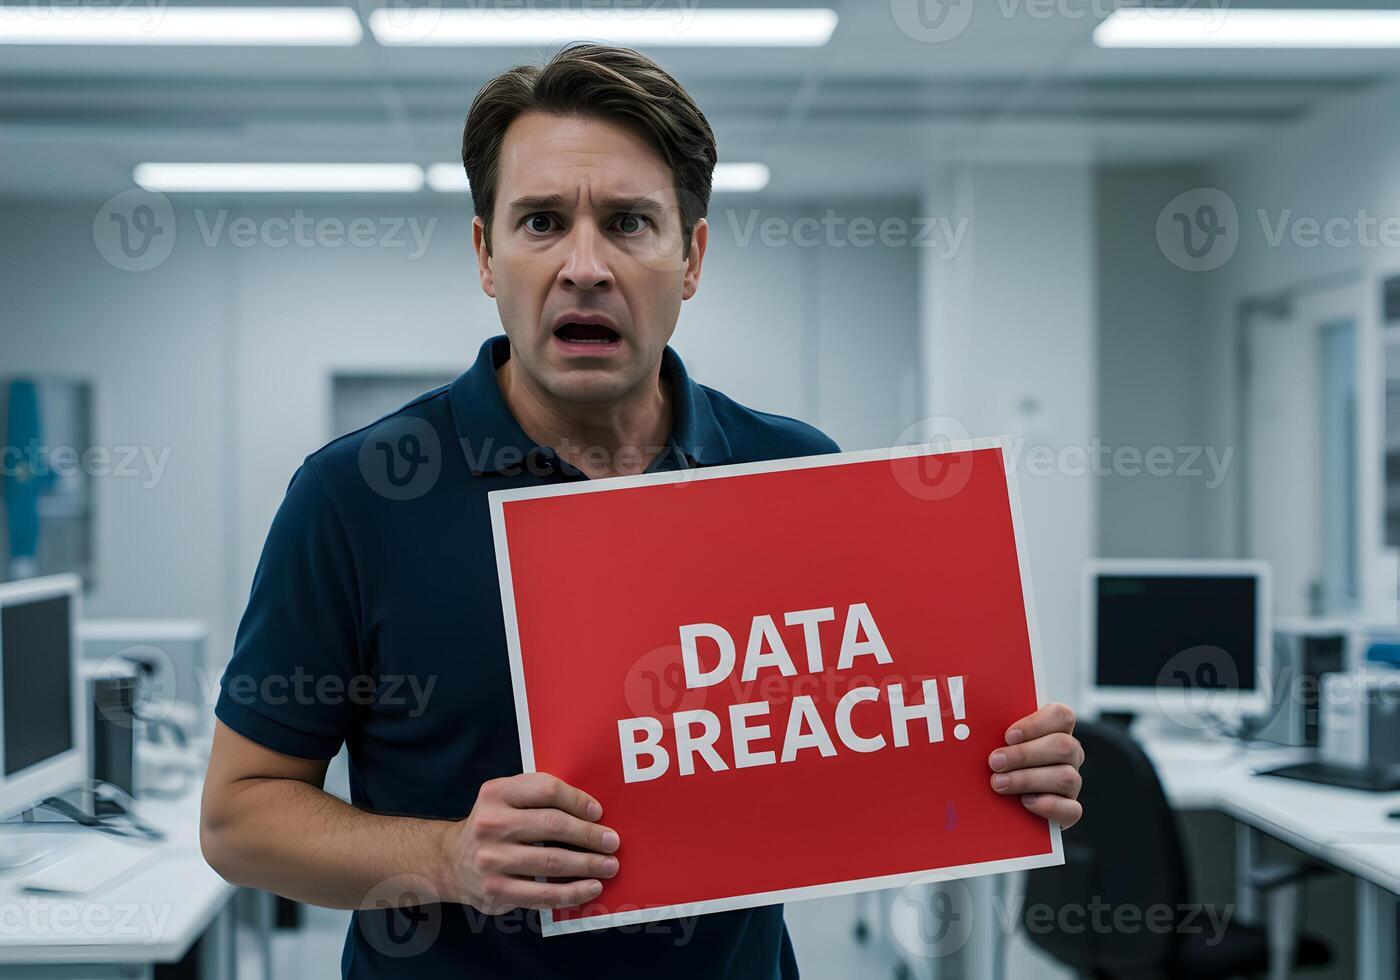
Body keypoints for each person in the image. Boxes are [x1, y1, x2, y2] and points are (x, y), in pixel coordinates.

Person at [199, 42, 1085, 979]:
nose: (585, 265)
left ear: (691, 256)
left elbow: (871, 730)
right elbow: (239, 816)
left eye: (629, 223)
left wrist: (1000, 768)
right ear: (485, 254)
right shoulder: (353, 495)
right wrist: (449, 858)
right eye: (541, 222)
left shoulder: (793, 476)